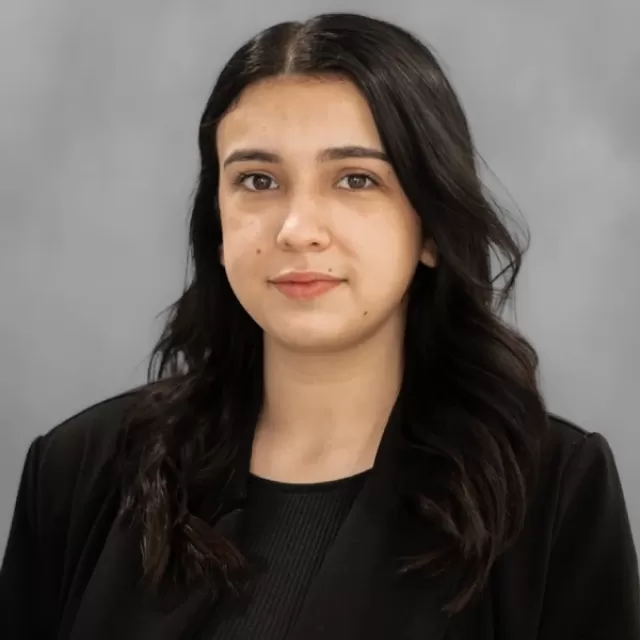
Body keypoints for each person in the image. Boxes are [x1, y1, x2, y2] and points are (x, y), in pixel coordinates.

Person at [1, 11, 638, 640]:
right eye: (257, 180)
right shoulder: (79, 471)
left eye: (355, 179)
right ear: (216, 225)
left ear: (431, 228)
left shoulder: (551, 492)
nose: (297, 229)